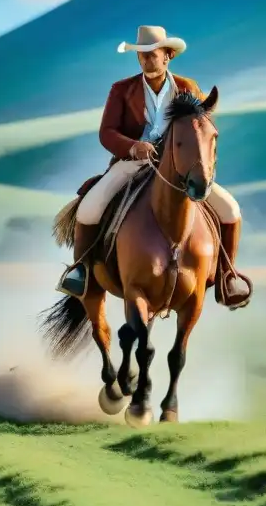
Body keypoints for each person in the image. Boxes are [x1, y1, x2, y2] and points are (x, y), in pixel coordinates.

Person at [58, 25, 252, 309]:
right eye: (142, 55)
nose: (146, 60)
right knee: (90, 208)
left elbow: (200, 130)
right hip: (132, 164)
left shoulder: (188, 88)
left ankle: (226, 275)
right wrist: (133, 146)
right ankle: (81, 270)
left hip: (178, 169)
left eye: (152, 54)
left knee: (231, 210)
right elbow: (107, 132)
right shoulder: (121, 90)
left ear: (168, 56)